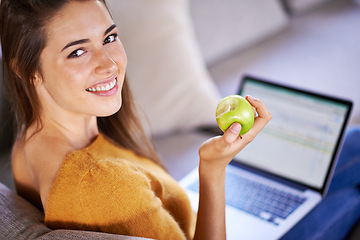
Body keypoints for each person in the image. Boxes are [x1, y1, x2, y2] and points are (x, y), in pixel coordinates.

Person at [0, 0, 271, 239]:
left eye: (109, 38)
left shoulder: (29, 140)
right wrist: (213, 169)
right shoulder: (102, 185)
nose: (109, 64)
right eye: (78, 52)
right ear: (26, 68)